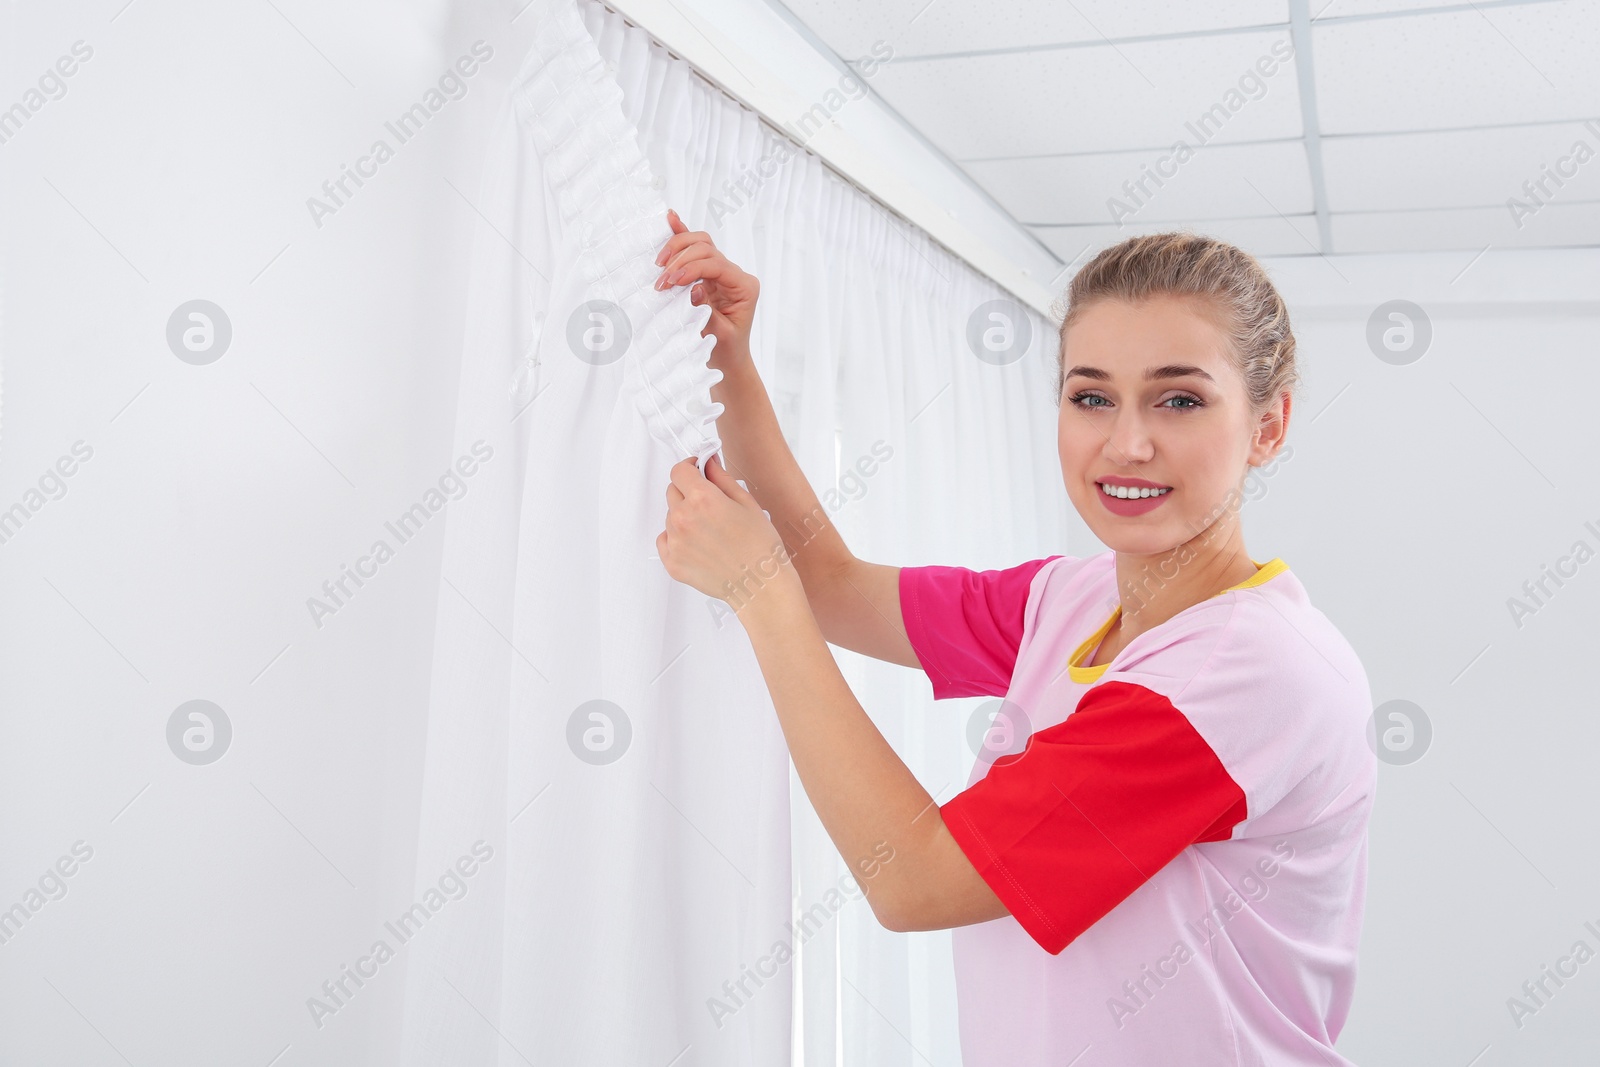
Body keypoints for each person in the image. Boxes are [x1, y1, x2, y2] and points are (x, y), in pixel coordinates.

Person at [652, 207, 1375, 1066]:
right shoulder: (1069, 599)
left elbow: (912, 878)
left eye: (1179, 399)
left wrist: (757, 594)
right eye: (1091, 396)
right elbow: (835, 587)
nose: (1126, 442)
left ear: (1268, 426)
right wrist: (726, 360)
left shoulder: (1249, 674)